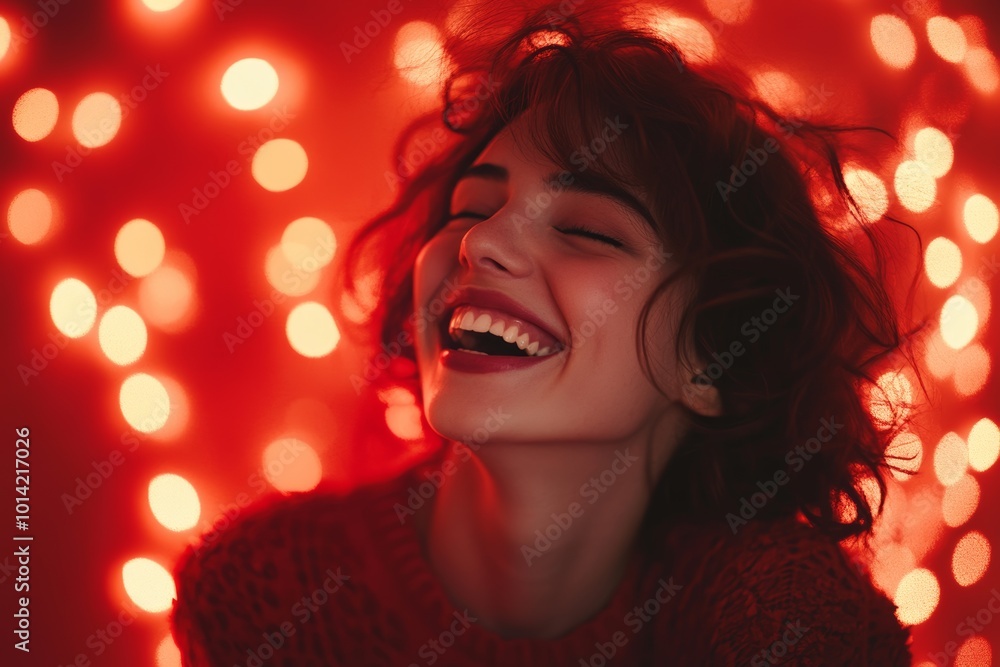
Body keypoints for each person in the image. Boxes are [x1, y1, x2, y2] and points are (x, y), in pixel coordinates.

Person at [171, 3, 921, 664]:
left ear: (712, 357)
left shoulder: (789, 624)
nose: (479, 243)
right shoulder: (268, 596)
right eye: (471, 208)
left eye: (588, 230)